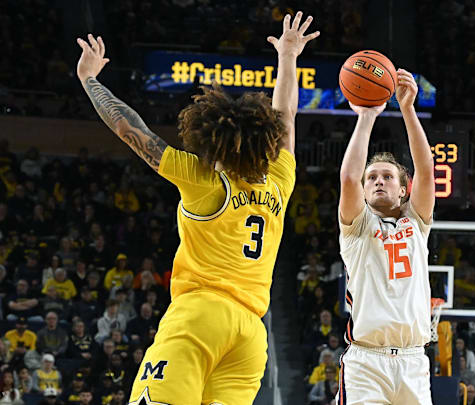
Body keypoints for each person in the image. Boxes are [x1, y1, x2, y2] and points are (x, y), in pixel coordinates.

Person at [75, 10, 319, 404]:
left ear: (215, 145)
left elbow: (129, 129)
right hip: (251, 337)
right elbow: (286, 116)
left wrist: (89, 80)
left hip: (201, 316)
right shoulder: (279, 181)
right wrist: (288, 57)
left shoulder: (204, 179)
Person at [336, 53, 435, 403]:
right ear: (364, 190)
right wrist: (366, 116)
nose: (378, 181)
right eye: (372, 178)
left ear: (403, 188)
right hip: (367, 362)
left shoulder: (416, 222)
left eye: (387, 177)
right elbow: (349, 177)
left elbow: (426, 171)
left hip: (413, 360)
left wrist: (408, 109)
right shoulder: (358, 228)